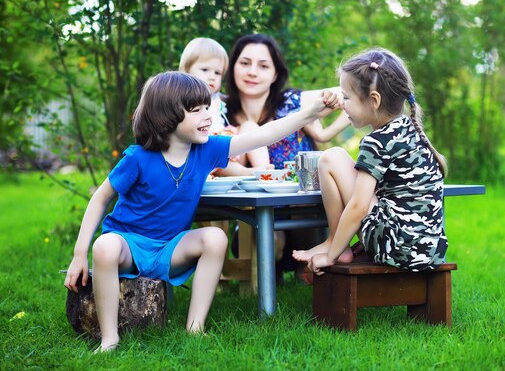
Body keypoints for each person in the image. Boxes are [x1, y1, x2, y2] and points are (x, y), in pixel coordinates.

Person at [63, 71, 339, 352]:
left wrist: (308, 114)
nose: (208, 115)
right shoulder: (138, 157)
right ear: (166, 116)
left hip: (170, 249)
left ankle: (195, 327)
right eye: (197, 110)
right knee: (105, 246)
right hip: (128, 247)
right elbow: (100, 199)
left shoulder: (206, 150)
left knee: (215, 239)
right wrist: (78, 254)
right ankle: (110, 338)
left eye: (208, 107)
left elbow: (262, 135)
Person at [292, 48, 449, 276]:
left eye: (346, 97)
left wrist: (331, 256)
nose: (342, 105)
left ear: (374, 100)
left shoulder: (377, 141)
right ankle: (338, 243)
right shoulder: (411, 130)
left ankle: (335, 244)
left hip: (397, 248)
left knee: (331, 158)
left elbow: (358, 206)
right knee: (337, 159)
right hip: (429, 251)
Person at [224, 33, 350, 274]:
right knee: (260, 237)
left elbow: (359, 90)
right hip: (254, 218)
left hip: (304, 216)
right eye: (245, 63)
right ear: (233, 68)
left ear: (275, 74)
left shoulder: (295, 102)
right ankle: (268, 276)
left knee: (302, 232)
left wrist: (325, 134)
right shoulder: (220, 111)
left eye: (263, 66)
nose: (252, 72)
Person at [179, 37, 271, 176]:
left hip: (228, 147)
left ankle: (266, 170)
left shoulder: (217, 99)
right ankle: (250, 173)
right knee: (213, 148)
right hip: (203, 151)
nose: (212, 77)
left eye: (217, 73)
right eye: (205, 70)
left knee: (250, 126)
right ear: (186, 71)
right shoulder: (183, 98)